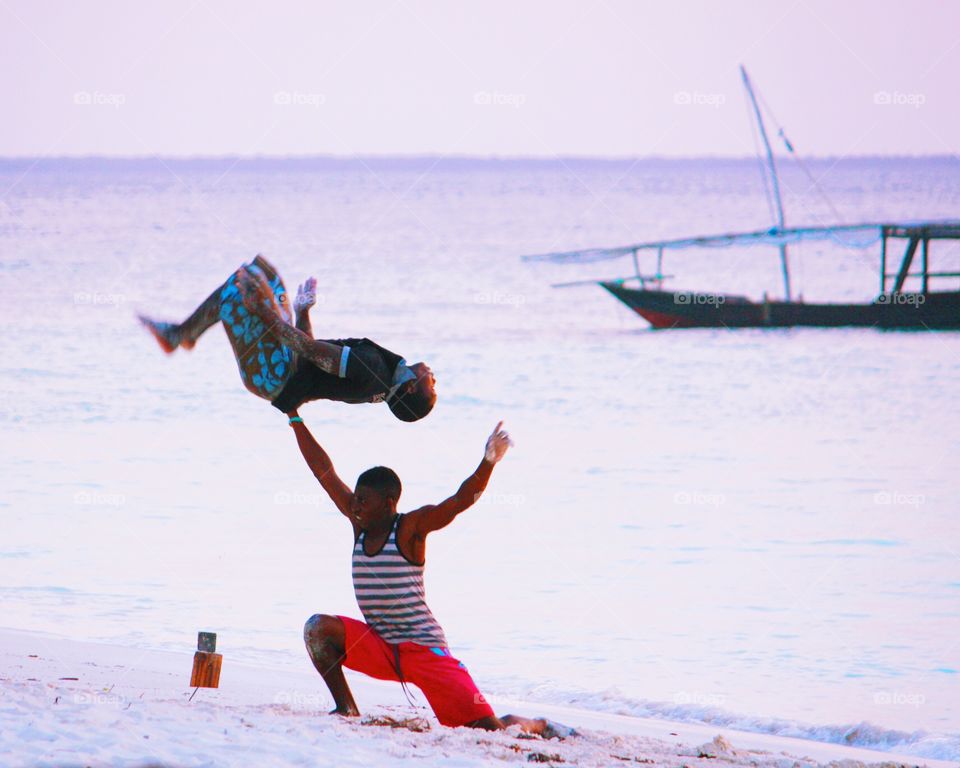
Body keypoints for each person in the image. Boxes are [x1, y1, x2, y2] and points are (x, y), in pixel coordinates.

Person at [289, 414, 574, 738]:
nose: (354, 505)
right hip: (382, 646)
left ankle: (540, 724)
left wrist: (489, 461)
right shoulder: (359, 524)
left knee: (489, 731)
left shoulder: (411, 528)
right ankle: (346, 708)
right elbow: (323, 471)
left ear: (388, 503)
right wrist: (294, 416)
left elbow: (459, 501)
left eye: (363, 500)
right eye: (355, 498)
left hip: (425, 652)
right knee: (318, 629)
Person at [137, 255, 436, 421]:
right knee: (266, 274)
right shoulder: (378, 383)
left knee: (239, 289)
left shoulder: (372, 369)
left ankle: (179, 336)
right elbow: (312, 359)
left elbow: (306, 348)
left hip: (275, 375)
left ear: (410, 388)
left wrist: (262, 312)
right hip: (287, 366)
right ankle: (184, 334)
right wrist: (303, 311)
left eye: (431, 386)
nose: (433, 378)